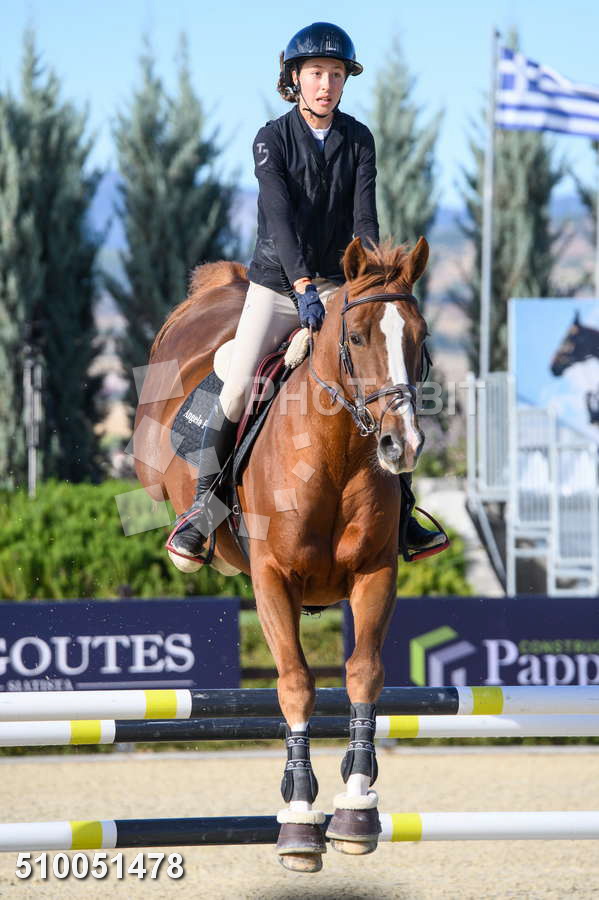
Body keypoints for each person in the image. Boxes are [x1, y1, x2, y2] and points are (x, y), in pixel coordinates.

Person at [167, 22, 447, 562]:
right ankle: (203, 510)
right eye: (316, 73)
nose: (326, 84)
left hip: (342, 285)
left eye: (336, 74)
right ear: (294, 78)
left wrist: (369, 278)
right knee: (238, 384)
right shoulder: (271, 139)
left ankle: (404, 512)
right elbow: (278, 220)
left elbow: (364, 218)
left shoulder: (359, 139)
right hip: (277, 285)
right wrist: (300, 287)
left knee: (389, 381)